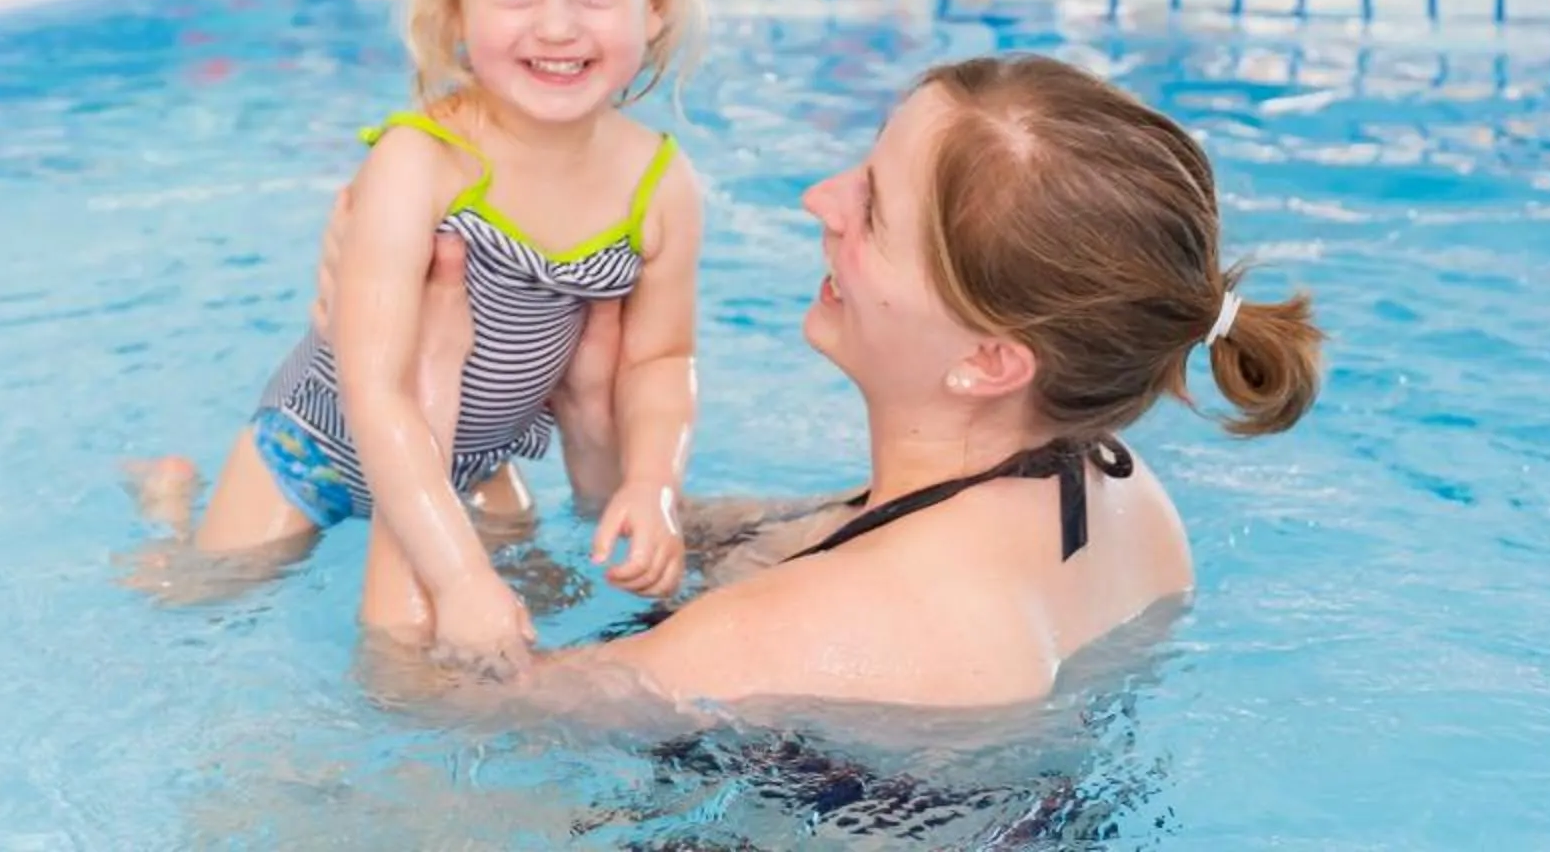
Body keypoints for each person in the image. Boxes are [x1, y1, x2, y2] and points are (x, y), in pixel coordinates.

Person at [351, 52, 1324, 708]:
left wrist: (419, 392)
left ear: (989, 359)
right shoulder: (1120, 495)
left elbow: (425, 699)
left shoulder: (820, 625)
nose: (821, 198)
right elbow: (779, 545)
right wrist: (607, 454)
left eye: (872, 209)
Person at [131, 0, 710, 674]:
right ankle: (168, 504)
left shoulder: (660, 184)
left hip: (476, 460)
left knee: (542, 607)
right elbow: (379, 393)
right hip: (321, 446)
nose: (556, 26)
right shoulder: (422, 164)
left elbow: (662, 362)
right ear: (452, 8)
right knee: (200, 593)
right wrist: (459, 574)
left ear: (656, 4)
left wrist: (651, 486)